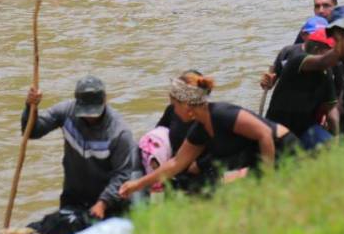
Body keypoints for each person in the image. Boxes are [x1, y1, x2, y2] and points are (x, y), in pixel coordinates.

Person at [118, 71, 298, 197]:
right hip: (256, 160)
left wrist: (268, 179)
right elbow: (176, 164)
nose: (173, 110)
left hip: (283, 150)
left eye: (175, 105)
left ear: (186, 104)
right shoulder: (200, 129)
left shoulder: (221, 113)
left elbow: (265, 134)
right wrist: (138, 184)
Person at [22, 76, 137, 234]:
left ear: (104, 101)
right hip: (74, 197)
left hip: (107, 204)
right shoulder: (66, 112)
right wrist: (31, 107)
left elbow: (122, 175)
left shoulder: (119, 133)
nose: (90, 117)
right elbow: (32, 131)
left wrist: (102, 203)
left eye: (94, 112)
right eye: (86, 112)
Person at [265, 29, 339, 149]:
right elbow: (323, 61)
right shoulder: (297, 61)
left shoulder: (326, 72)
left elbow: (331, 108)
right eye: (331, 51)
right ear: (317, 51)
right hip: (279, 127)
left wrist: (337, 135)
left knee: (333, 148)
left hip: (305, 128)